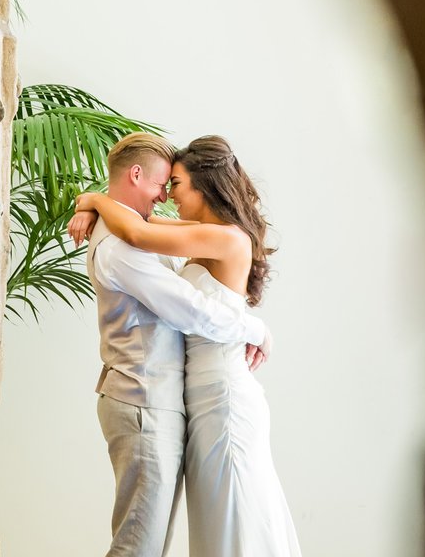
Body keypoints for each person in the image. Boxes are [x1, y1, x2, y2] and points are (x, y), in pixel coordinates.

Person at [71, 135, 304, 557]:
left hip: (222, 396)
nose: (167, 196)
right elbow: (137, 228)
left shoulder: (226, 238)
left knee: (235, 518)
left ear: (204, 186)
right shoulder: (195, 233)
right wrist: (95, 202)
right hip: (186, 400)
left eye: (175, 185)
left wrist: (95, 201)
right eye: (165, 184)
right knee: (200, 527)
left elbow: (140, 232)